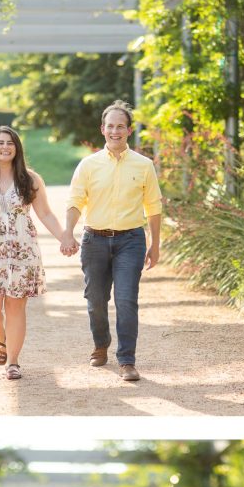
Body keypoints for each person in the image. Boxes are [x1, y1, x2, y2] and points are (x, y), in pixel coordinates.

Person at [0, 126, 72, 380]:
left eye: (10, 143)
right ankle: (1, 337)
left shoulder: (30, 180)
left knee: (15, 307)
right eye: (0, 142)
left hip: (22, 252)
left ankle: (13, 361)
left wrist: (64, 236)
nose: (5, 147)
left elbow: (45, 214)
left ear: (17, 148)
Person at [60, 101, 162, 382]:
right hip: (95, 240)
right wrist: (68, 231)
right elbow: (75, 201)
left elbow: (154, 207)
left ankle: (127, 360)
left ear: (129, 130)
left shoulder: (143, 166)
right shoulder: (88, 165)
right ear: (102, 130)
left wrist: (155, 244)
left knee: (126, 300)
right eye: (110, 126)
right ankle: (100, 343)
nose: (115, 131)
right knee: (95, 300)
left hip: (131, 240)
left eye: (120, 126)